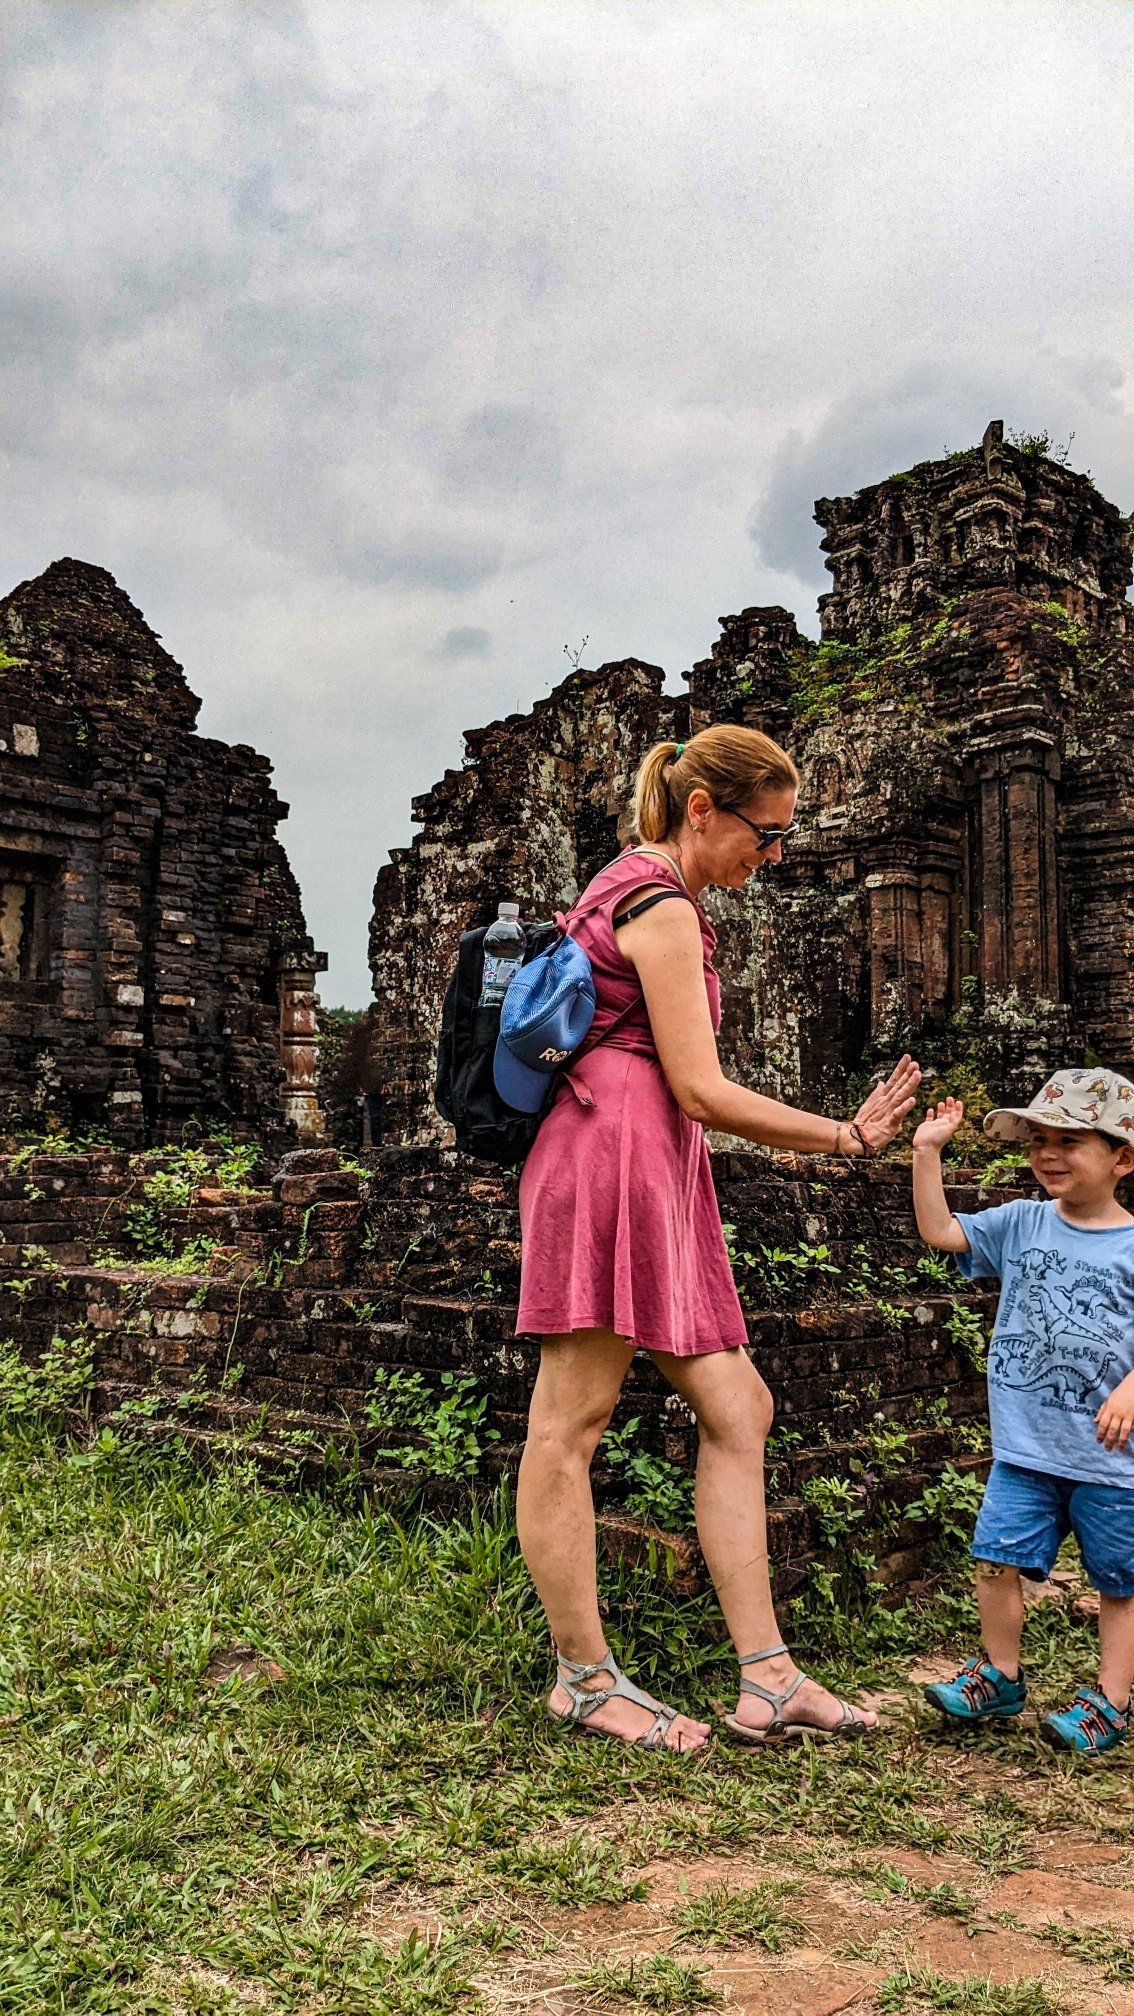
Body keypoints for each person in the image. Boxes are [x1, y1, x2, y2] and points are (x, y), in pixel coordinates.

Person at [513, 725, 921, 1751]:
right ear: (704, 811)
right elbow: (699, 1086)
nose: (772, 857)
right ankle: (585, 1679)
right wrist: (845, 1134)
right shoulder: (654, 902)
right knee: (573, 1420)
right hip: (610, 1162)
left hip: (651, 1166)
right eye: (766, 834)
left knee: (741, 1405)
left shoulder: (659, 897)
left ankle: (769, 1678)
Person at [912, 1069, 1134, 1754]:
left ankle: (1110, 1700)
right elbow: (942, 1232)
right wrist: (927, 1153)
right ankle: (1000, 1674)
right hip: (1026, 1448)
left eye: (1069, 1140)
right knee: (993, 1559)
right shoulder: (1020, 1222)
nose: (1047, 1154)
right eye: (1039, 1139)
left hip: (1110, 1460)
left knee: (1118, 1584)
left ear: (1122, 1156)